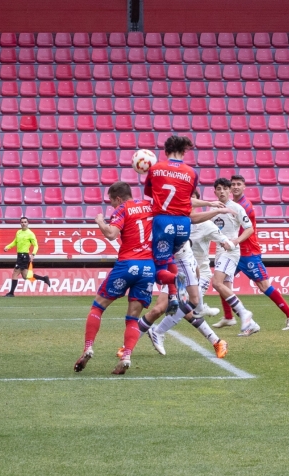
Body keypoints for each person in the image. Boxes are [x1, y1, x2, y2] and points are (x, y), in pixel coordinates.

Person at [74, 182, 155, 375]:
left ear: (118, 198)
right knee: (132, 318)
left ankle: (88, 348)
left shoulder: (122, 208)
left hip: (127, 264)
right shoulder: (149, 205)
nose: (111, 205)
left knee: (98, 306)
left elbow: (111, 234)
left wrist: (100, 221)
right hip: (148, 268)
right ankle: (126, 356)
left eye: (111, 200)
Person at [139, 201, 234, 357]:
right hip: (176, 272)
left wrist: (227, 243)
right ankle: (217, 341)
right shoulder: (175, 222)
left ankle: (138, 342)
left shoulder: (206, 225)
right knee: (163, 309)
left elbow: (224, 239)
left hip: (199, 273)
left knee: (187, 307)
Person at [221, 175, 289, 330]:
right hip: (236, 252)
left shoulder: (244, 206)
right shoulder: (233, 204)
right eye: (233, 184)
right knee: (222, 282)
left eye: (239, 184)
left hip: (248, 252)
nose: (235, 187)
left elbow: (246, 230)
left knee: (263, 285)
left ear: (244, 187)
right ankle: (231, 318)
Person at [144, 136, 200, 316]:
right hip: (184, 224)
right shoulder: (191, 172)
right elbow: (190, 196)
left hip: (163, 221)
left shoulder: (155, 168)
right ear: (184, 151)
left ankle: (176, 289)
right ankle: (177, 296)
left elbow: (149, 192)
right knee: (171, 258)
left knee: (160, 269)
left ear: (166, 151)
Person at [204, 178, 259, 336]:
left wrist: (235, 241)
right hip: (220, 251)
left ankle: (245, 314)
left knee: (216, 282)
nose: (222, 191)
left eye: (225, 189)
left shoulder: (237, 208)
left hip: (231, 251)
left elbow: (249, 229)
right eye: (219, 189)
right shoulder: (212, 208)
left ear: (229, 191)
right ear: (214, 191)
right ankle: (249, 323)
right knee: (226, 290)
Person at [3, 217, 51, 296]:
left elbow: (36, 245)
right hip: (19, 255)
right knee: (26, 276)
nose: (23, 224)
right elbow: (15, 242)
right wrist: (8, 247)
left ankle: (11, 293)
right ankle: (44, 278)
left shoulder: (30, 233)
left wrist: (33, 254)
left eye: (25, 222)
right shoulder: (18, 232)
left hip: (24, 256)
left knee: (15, 273)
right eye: (22, 222)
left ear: (28, 223)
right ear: (20, 223)